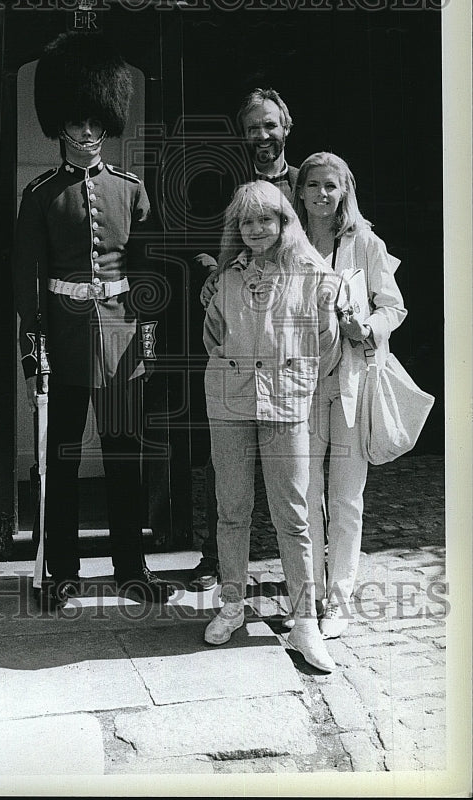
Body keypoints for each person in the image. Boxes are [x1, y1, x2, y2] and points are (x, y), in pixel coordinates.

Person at [14, 30, 172, 607]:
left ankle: (131, 566)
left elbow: (150, 279)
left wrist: (147, 342)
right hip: (62, 340)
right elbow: (25, 284)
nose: (85, 133)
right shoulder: (39, 195)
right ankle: (61, 571)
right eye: (75, 123)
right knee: (58, 461)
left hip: (124, 342)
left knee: (125, 457)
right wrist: (34, 353)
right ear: (59, 126)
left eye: (94, 123)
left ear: (106, 124)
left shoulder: (130, 191)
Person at [202, 180, 340, 672]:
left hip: (287, 403)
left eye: (266, 219)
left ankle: (305, 621)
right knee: (232, 509)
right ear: (236, 229)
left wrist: (295, 370)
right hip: (230, 402)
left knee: (295, 515)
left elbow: (326, 347)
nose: (256, 229)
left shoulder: (311, 274)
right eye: (246, 221)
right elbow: (214, 339)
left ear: (284, 223)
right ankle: (232, 604)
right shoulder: (228, 278)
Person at [190, 87, 300, 591]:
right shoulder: (227, 186)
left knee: (298, 481)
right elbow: (198, 244)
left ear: (286, 128)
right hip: (238, 334)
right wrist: (215, 269)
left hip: (289, 343)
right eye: (253, 127)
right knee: (229, 469)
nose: (262, 135)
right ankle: (219, 563)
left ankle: (304, 579)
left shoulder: (306, 183)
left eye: (270, 126)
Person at [294, 152, 407, 639]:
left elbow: (394, 306)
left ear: (345, 192)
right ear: (299, 191)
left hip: (351, 385)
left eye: (331, 187)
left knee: (344, 497)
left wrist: (369, 327)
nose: (322, 194)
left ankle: (337, 599)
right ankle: (307, 595)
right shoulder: (287, 241)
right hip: (299, 385)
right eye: (313, 185)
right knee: (302, 495)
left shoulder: (364, 242)